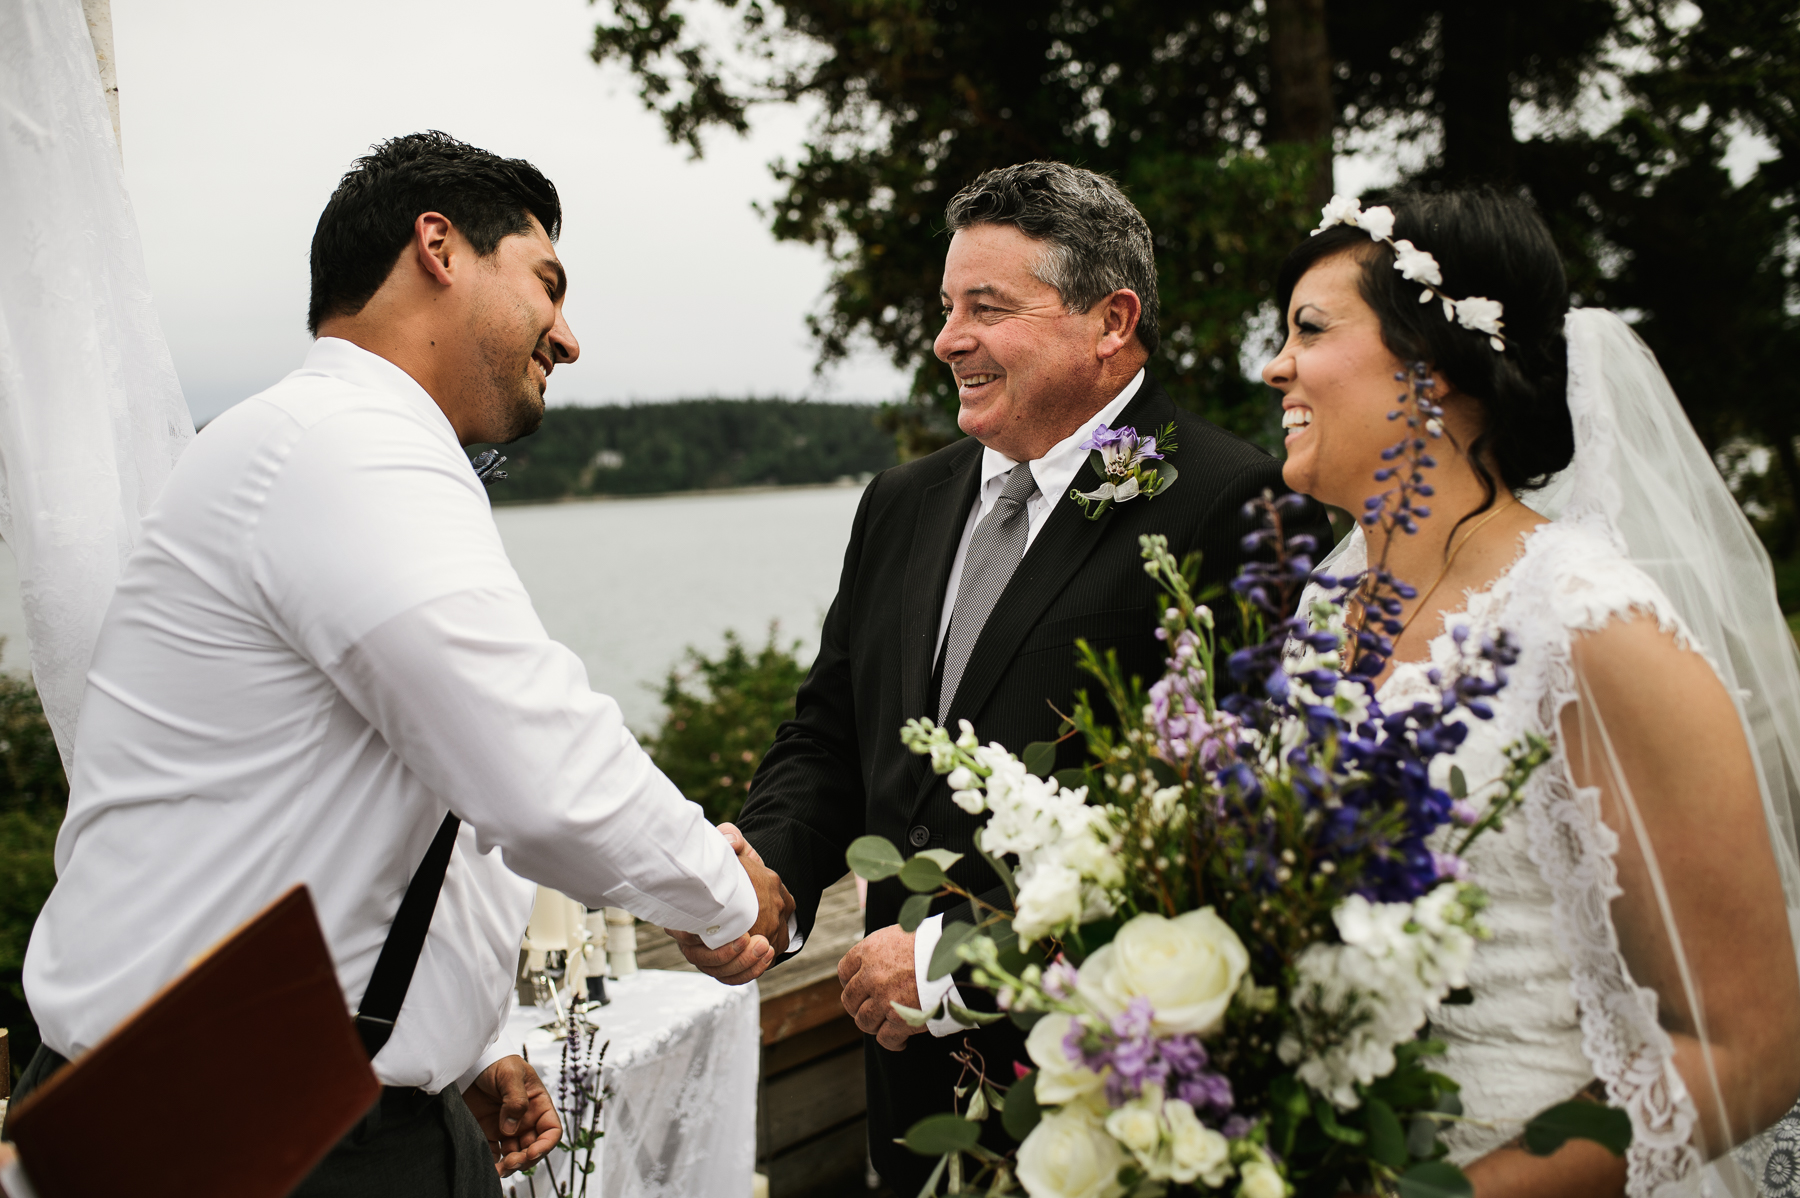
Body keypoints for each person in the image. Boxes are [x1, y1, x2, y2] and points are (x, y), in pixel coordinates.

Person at [8, 132, 793, 1195]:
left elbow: (409, 800)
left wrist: (461, 1041)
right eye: (547, 284)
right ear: (440, 247)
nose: (567, 337)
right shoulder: (343, 443)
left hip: (306, 1102)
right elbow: (541, 764)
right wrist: (725, 898)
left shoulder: (327, 447)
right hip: (230, 1137)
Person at [672, 160, 1330, 1193]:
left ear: (1110, 322)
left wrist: (957, 959)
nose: (948, 340)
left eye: (987, 307)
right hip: (903, 1090)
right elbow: (832, 733)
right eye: (946, 308)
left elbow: (1224, 833)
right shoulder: (902, 501)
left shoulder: (1226, 499)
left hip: (1106, 1092)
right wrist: (769, 884)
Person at [1268, 187, 1800, 1196]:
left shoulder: (1593, 627)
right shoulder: (1319, 613)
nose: (1274, 364)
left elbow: (1754, 1052)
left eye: (1308, 327)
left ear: (1434, 367)